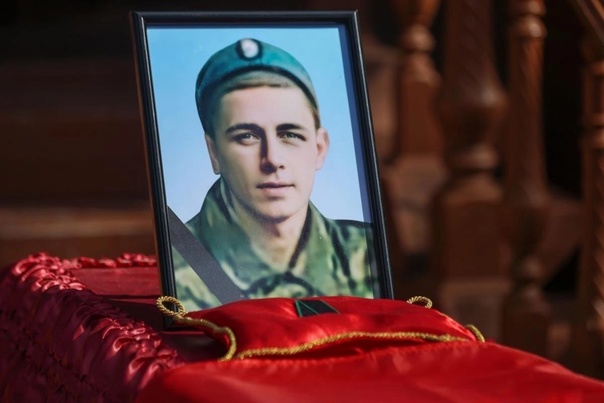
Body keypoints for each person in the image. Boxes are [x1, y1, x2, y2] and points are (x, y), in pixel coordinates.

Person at [173, 38, 374, 311]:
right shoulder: (179, 265)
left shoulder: (368, 254)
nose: (273, 160)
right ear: (214, 153)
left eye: (290, 134)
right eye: (247, 136)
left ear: (319, 148)